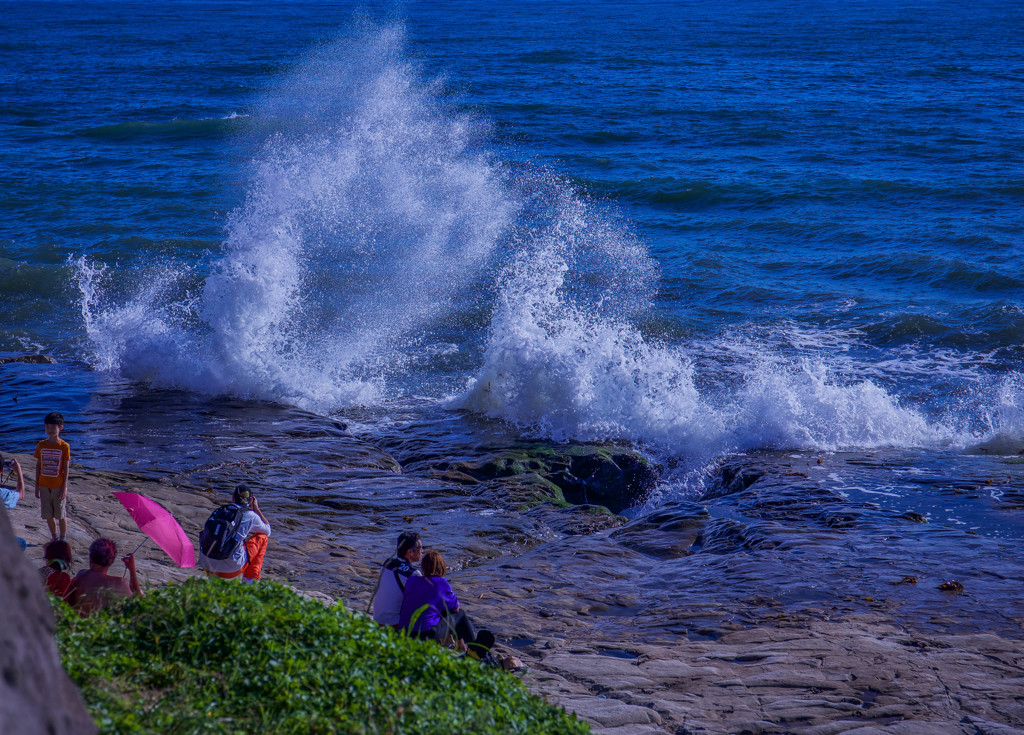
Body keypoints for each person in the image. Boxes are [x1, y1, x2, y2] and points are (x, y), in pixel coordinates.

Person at [399, 550, 494, 658]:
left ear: (423, 567)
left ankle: (460, 646)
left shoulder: (412, 580)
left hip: (405, 631)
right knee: (460, 615)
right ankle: (474, 649)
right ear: (441, 568)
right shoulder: (441, 583)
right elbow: (456, 609)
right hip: (425, 635)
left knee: (439, 611)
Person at [197, 484, 271, 582]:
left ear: (233, 498)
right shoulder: (251, 515)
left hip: (207, 566)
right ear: (251, 501)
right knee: (263, 537)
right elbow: (268, 530)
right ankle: (250, 582)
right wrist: (256, 509)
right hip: (231, 569)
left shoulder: (219, 511)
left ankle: (213, 579)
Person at [66, 538, 143, 616]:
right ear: (111, 561)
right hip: (101, 626)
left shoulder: (80, 575)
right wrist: (132, 570)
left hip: (77, 625)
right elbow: (141, 599)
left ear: (90, 557)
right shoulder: (120, 584)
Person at [370, 531, 423, 628]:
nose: (422, 551)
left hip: (377, 620)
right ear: (410, 552)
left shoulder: (387, 563)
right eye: (420, 548)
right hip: (394, 625)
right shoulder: (413, 574)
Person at [34, 412, 71, 541]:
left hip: (58, 486)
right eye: (47, 427)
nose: (49, 430)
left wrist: (64, 487)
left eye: (52, 427)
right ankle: (54, 537)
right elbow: (38, 465)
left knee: (61, 514)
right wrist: (36, 486)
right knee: (48, 514)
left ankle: (63, 538)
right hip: (44, 485)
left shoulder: (64, 446)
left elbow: (66, 468)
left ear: (60, 428)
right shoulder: (41, 445)